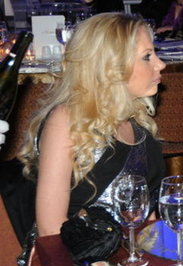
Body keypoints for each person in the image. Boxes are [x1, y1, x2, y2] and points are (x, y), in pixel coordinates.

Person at [19, 13, 166, 236]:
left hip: (131, 248)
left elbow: (146, 213)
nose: (161, 64)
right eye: (147, 56)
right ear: (111, 67)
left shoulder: (137, 119)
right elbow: (50, 229)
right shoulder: (67, 121)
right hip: (73, 251)